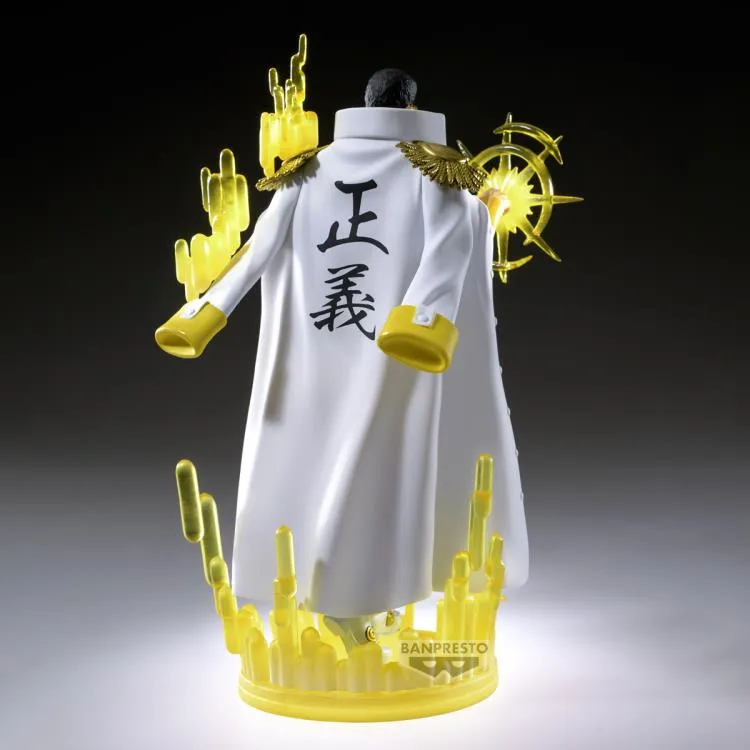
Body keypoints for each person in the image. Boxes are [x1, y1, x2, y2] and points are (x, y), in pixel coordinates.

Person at [155, 68, 529, 647]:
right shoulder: (439, 171)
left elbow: (258, 246)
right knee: (379, 465)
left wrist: (203, 311)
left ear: (366, 102)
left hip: (312, 358)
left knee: (317, 464)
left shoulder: (306, 170)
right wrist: (424, 322)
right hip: (396, 353)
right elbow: (452, 245)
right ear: (411, 106)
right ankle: (355, 604)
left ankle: (344, 599)